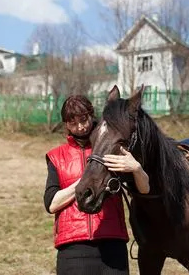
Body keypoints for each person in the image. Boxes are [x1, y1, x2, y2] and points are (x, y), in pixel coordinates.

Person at [43, 95, 150, 275]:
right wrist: (84, 182)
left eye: (83, 120)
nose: (80, 127)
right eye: (72, 122)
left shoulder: (112, 147)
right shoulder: (57, 156)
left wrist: (137, 168)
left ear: (91, 115)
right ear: (66, 124)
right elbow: (51, 204)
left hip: (112, 242)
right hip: (73, 247)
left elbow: (144, 190)